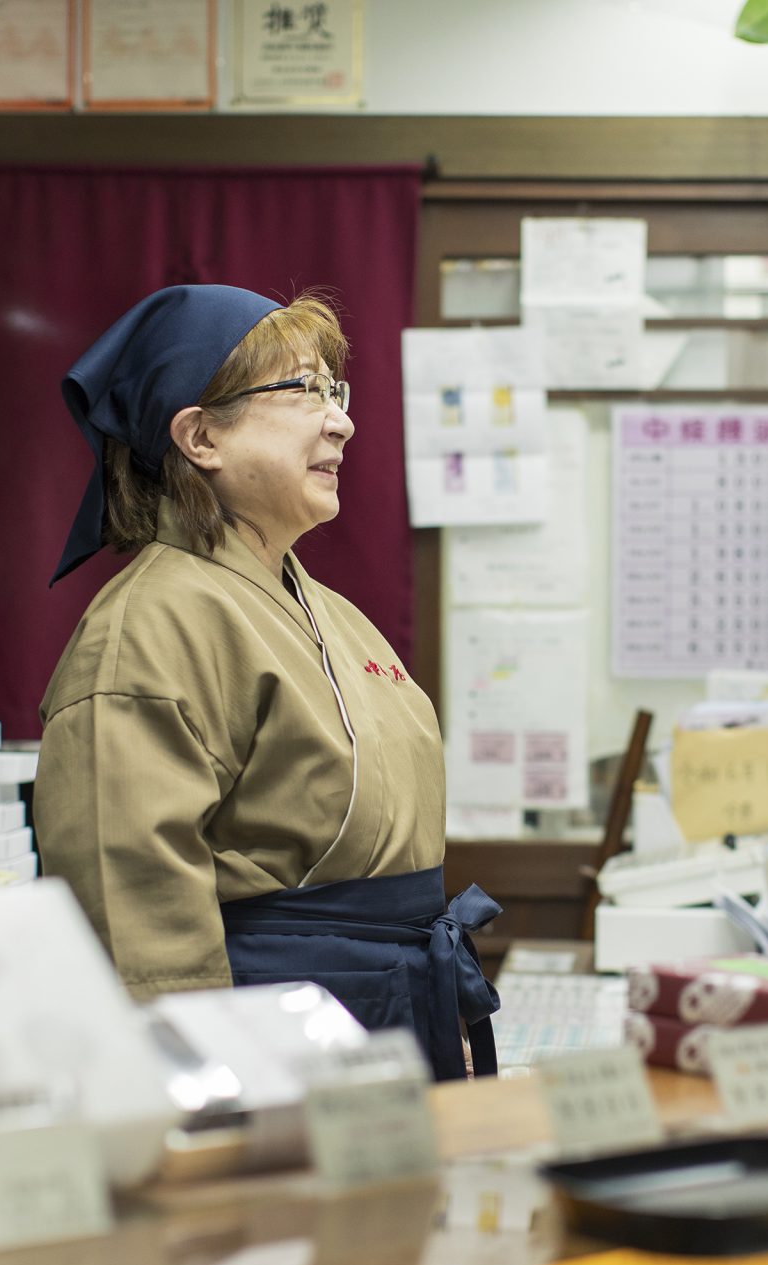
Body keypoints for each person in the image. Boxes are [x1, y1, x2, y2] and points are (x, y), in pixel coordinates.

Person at [33, 285, 500, 1080]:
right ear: (200, 436)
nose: (340, 419)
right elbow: (133, 917)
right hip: (271, 1040)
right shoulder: (146, 627)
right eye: (301, 390)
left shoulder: (329, 611)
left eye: (334, 389)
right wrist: (210, 1092)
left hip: (383, 1017)